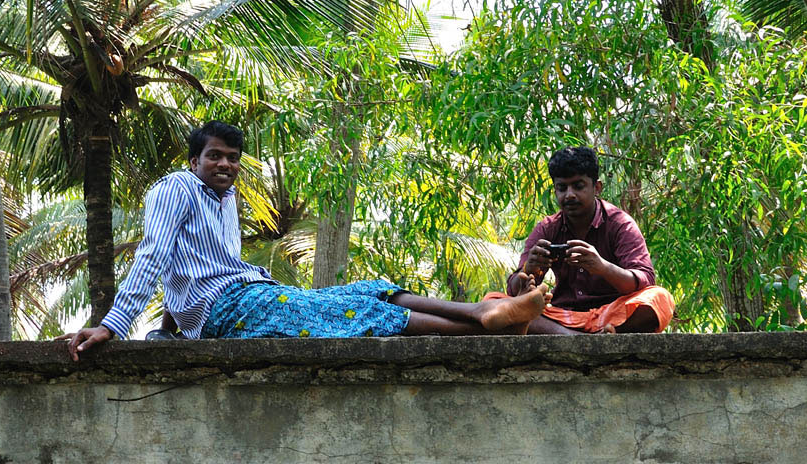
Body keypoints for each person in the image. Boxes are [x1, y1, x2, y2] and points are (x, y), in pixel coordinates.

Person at [67, 121, 550, 358]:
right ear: (195, 159)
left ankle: (483, 314)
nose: (225, 166)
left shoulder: (224, 201)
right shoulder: (176, 187)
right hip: (229, 311)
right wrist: (112, 326)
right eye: (215, 156)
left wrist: (172, 325)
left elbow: (190, 268)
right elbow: (154, 257)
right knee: (355, 316)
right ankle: (486, 325)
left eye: (233, 158)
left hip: (248, 298)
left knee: (366, 291)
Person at [488, 146, 675, 334]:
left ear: (597, 187)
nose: (569, 195)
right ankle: (576, 337)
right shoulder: (547, 228)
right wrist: (529, 269)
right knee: (494, 302)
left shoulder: (620, 224)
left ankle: (573, 336)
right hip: (562, 317)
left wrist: (602, 267)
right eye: (562, 188)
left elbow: (645, 281)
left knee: (659, 298)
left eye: (578, 186)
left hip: (612, 314)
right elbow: (515, 293)